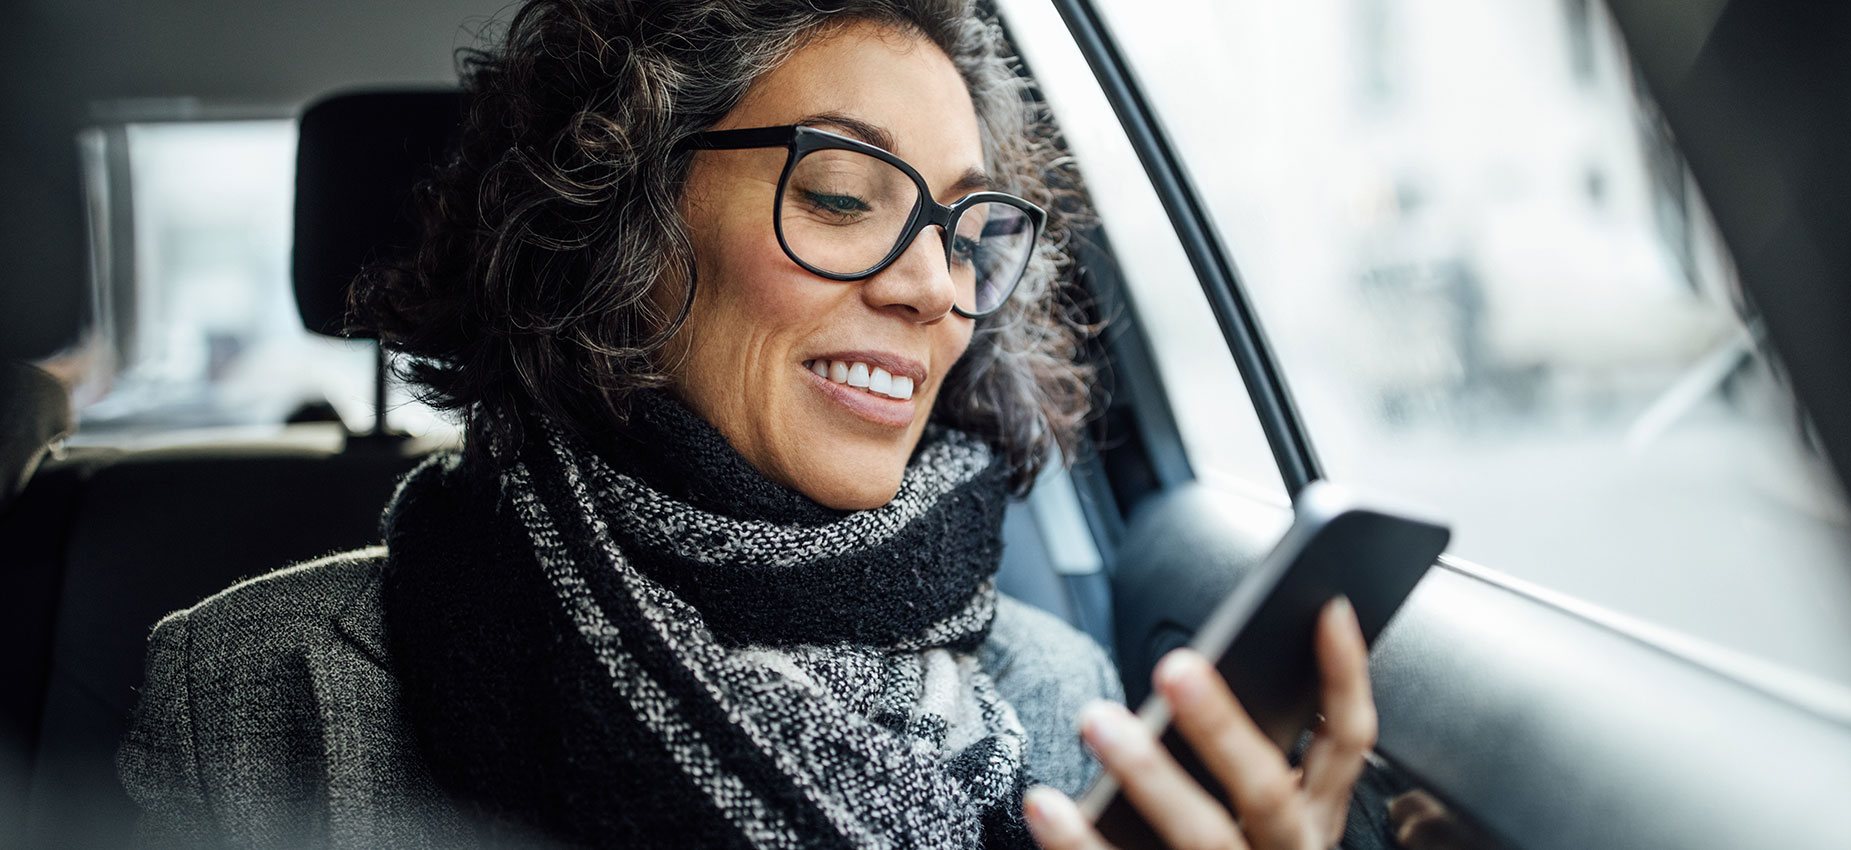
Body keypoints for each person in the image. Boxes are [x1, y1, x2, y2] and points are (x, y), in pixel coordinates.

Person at [116, 1, 1378, 848]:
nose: (933, 289)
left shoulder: (1066, 697)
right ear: (623, 222)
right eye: (841, 194)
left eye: (963, 230)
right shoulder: (256, 690)